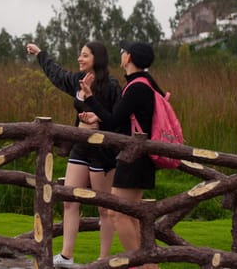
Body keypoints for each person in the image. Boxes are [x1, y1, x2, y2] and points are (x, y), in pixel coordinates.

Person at [26, 42, 121, 267]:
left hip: (102, 152)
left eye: (85, 55)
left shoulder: (111, 85)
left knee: (104, 208)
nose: (80, 58)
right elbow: (57, 74)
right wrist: (41, 54)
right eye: (80, 55)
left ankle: (103, 259)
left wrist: (98, 119)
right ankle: (67, 256)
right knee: (69, 201)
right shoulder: (78, 80)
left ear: (97, 58)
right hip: (80, 147)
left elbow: (117, 120)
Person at [79, 40, 162, 269]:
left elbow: (115, 120)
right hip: (140, 157)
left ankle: (143, 266)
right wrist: (98, 116)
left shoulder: (136, 87)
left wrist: (90, 99)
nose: (121, 54)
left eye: (124, 52)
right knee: (131, 215)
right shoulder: (145, 84)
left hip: (133, 158)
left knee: (117, 214)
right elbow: (121, 121)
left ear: (129, 58)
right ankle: (145, 265)